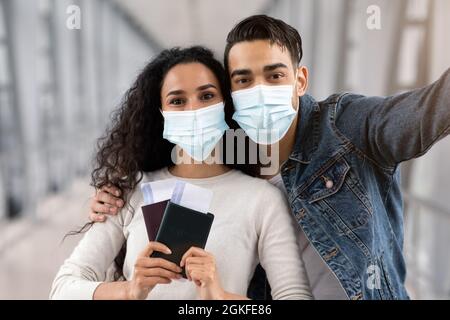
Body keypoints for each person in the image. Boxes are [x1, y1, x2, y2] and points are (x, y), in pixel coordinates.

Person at [91, 15, 450, 300]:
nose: (260, 90)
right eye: (243, 80)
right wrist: (115, 197)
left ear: (300, 80)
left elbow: (426, 113)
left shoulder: (347, 126)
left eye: (275, 75)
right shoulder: (226, 158)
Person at [50, 46, 312, 300]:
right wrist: (130, 291)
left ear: (226, 103)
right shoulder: (130, 192)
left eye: (207, 96)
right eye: (177, 100)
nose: (194, 110)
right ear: (161, 113)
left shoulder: (262, 200)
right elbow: (63, 290)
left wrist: (219, 297)